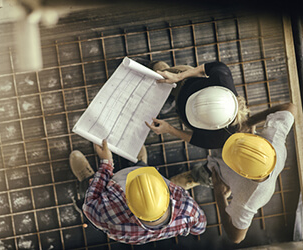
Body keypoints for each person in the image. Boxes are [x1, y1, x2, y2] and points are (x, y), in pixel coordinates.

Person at [172, 102, 297, 243]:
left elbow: (236, 237)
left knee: (201, 176)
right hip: (238, 144)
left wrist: (220, 196)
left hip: (219, 175)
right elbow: (289, 107)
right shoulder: (274, 141)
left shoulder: (248, 199)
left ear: (241, 173)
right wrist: (249, 122)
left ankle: (194, 177)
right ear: (260, 142)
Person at [69, 140, 206, 245]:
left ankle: (86, 178)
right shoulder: (187, 209)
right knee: (142, 168)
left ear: (128, 202)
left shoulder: (114, 220)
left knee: (88, 188)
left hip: (112, 181)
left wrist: (106, 163)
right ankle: (140, 165)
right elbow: (200, 226)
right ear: (167, 195)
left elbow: (90, 205)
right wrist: (195, 231)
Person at [145, 61, 251, 149]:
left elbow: (194, 138)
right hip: (184, 81)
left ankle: (171, 101)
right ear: (212, 89)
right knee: (159, 71)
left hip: (182, 108)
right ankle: (153, 65)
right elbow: (204, 68)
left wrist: (169, 129)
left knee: (160, 92)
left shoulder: (220, 138)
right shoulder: (222, 77)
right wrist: (178, 76)